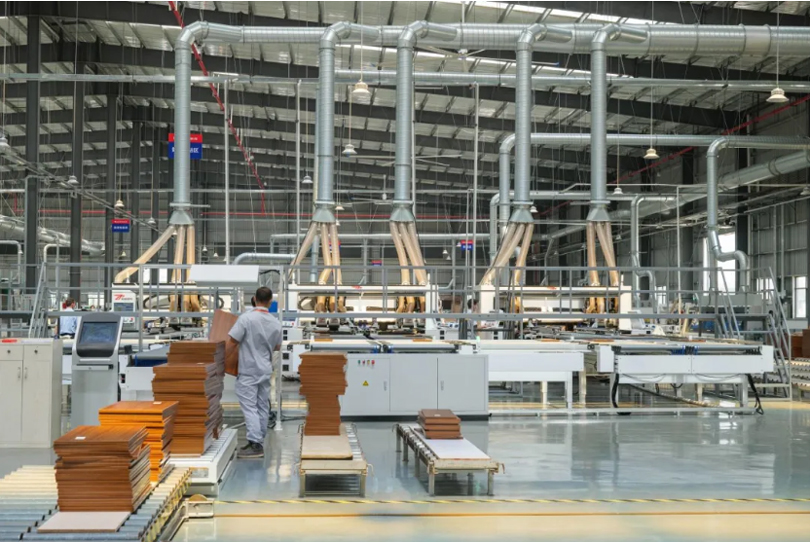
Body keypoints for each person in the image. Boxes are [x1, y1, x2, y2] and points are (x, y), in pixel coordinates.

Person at [226, 287, 283, 459]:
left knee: (250, 407)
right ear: (270, 301)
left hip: (249, 369)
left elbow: (232, 341)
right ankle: (259, 439)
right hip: (265, 369)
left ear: (254, 299)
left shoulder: (246, 319)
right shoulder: (275, 322)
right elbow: (277, 346)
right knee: (262, 405)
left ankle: (255, 444)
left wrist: (222, 360)